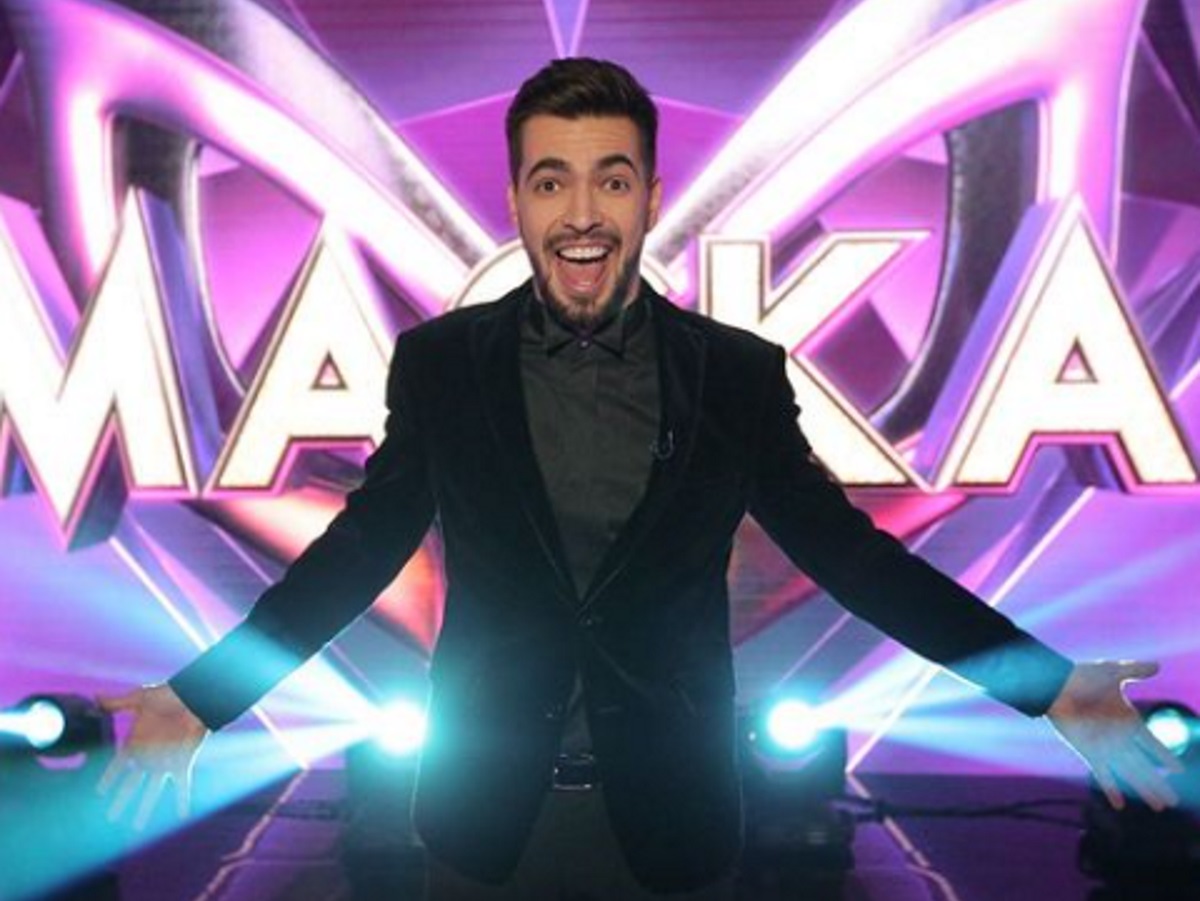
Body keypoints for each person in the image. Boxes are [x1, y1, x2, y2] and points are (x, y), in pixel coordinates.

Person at [98, 58, 1181, 899]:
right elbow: (358, 549)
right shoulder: (442, 364)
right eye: (552, 181)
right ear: (518, 200)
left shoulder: (736, 375)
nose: (582, 213)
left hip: (672, 826)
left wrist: (1048, 684)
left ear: (650, 196)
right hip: (483, 826)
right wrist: (202, 697)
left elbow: (853, 558)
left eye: (610, 180)